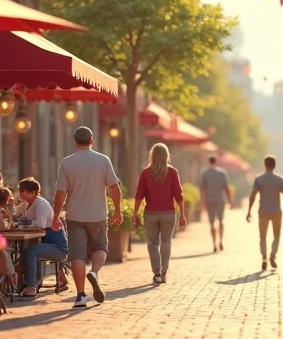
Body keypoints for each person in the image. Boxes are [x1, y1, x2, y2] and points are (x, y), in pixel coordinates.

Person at [52, 126, 123, 308]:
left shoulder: (67, 163)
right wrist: (117, 210)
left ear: (75, 142)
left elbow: (61, 192)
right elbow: (114, 188)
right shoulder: (103, 160)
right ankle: (95, 272)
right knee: (100, 247)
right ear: (92, 141)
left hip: (75, 215)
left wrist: (55, 216)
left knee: (77, 255)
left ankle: (81, 296)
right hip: (97, 214)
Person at [132, 143, 187, 284]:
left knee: (152, 244)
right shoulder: (173, 172)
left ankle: (156, 273)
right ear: (167, 155)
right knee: (166, 242)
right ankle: (164, 271)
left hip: (150, 213)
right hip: (168, 213)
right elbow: (179, 195)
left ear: (152, 155)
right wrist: (182, 214)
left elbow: (139, 195)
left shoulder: (145, 173)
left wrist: (135, 213)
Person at [16, 178, 69, 299]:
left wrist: (23, 224)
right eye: (20, 190)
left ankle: (32, 286)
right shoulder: (26, 203)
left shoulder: (41, 204)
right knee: (26, 251)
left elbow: (39, 225)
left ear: (33, 192)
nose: (20, 193)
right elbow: (14, 213)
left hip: (57, 247)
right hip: (43, 243)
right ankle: (32, 282)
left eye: (23, 191)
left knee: (31, 252)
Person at [246, 155, 283, 271]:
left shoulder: (258, 179)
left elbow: (252, 196)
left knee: (262, 236)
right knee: (276, 235)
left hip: (262, 211)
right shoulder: (280, 179)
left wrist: (248, 211)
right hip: (276, 211)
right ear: (275, 165)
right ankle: (272, 255)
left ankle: (263, 258)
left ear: (265, 165)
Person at [199, 155, 233, 252]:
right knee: (221, 220)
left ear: (208, 162)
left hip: (209, 199)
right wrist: (230, 201)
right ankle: (221, 241)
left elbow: (202, 188)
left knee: (212, 222)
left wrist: (201, 202)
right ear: (216, 162)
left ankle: (214, 243)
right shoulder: (222, 173)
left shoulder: (204, 173)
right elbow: (226, 187)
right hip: (220, 199)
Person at [0, 187, 19, 287]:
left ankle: (6, 283)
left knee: (7, 251)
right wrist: (7, 212)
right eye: (8, 198)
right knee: (5, 253)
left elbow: (9, 225)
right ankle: (11, 275)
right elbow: (2, 226)